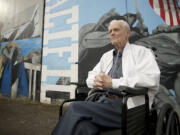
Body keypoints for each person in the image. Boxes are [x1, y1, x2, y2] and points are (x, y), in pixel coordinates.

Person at [51, 20, 160, 135]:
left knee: (74, 107)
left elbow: (151, 79)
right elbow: (90, 76)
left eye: (116, 30)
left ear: (128, 33)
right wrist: (96, 80)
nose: (112, 33)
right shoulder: (107, 56)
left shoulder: (142, 52)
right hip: (104, 102)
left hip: (129, 107)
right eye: (110, 31)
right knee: (84, 127)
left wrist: (113, 83)